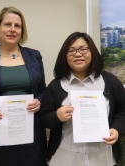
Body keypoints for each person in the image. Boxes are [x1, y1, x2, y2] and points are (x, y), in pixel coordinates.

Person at [0, 6, 47, 166]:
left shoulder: (35, 56)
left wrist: (39, 101)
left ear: (22, 30)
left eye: (17, 26)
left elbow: (43, 91)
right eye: (7, 24)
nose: (12, 29)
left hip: (32, 136)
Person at [40, 32, 125, 166]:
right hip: (66, 157)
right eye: (71, 50)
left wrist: (116, 129)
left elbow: (122, 110)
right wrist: (57, 116)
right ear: (65, 56)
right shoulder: (56, 85)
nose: (78, 54)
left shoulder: (110, 81)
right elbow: (43, 118)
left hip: (102, 157)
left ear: (92, 52)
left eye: (83, 49)